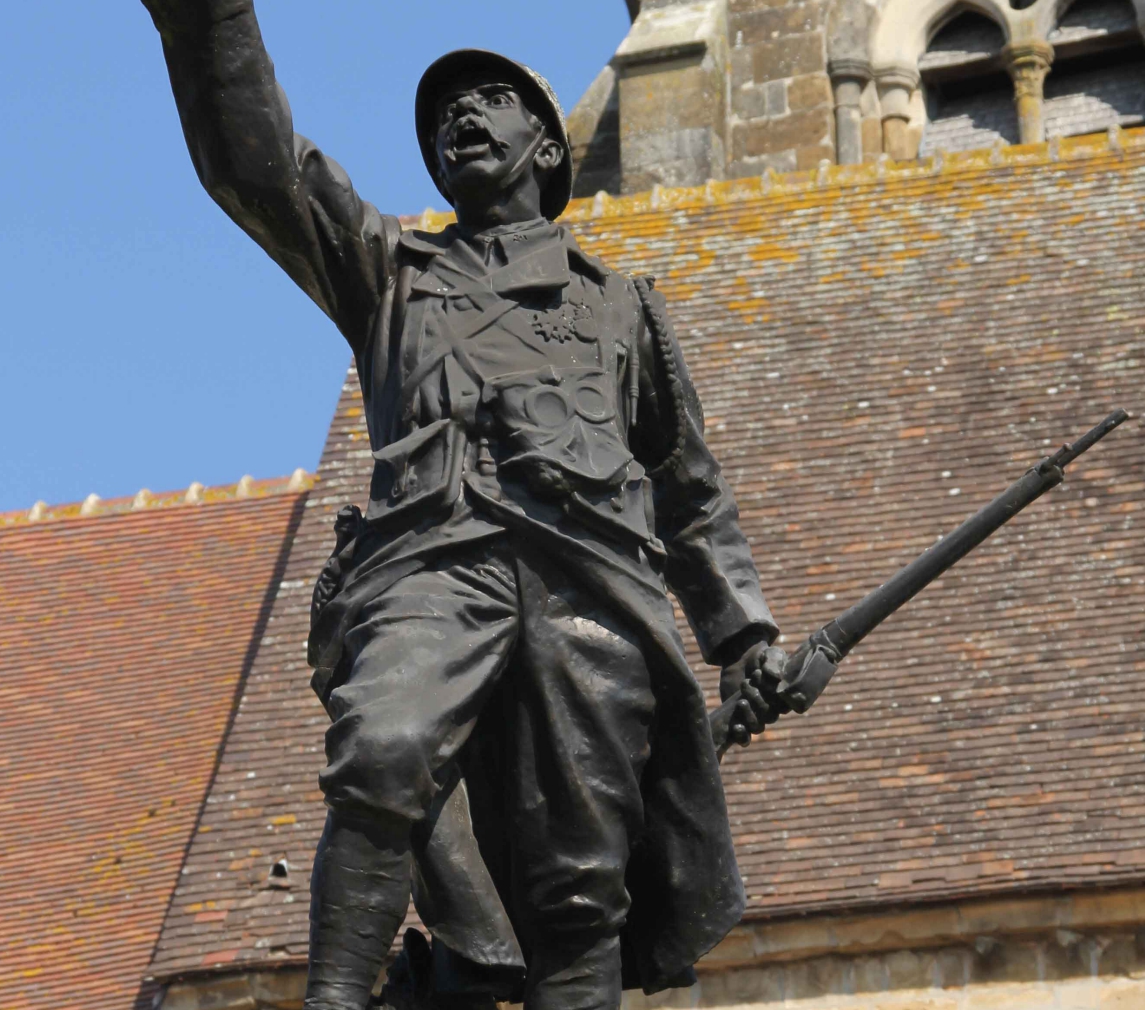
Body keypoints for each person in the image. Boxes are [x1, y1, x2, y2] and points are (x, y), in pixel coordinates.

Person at [138, 5, 789, 1009]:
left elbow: (688, 488)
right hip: (438, 565)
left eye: (490, 101)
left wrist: (742, 635)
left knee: (580, 887)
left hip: (592, 592)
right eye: (445, 113)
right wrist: (209, 19)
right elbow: (258, 167)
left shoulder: (622, 309)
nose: (461, 119)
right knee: (383, 748)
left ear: (544, 142)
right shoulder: (392, 276)